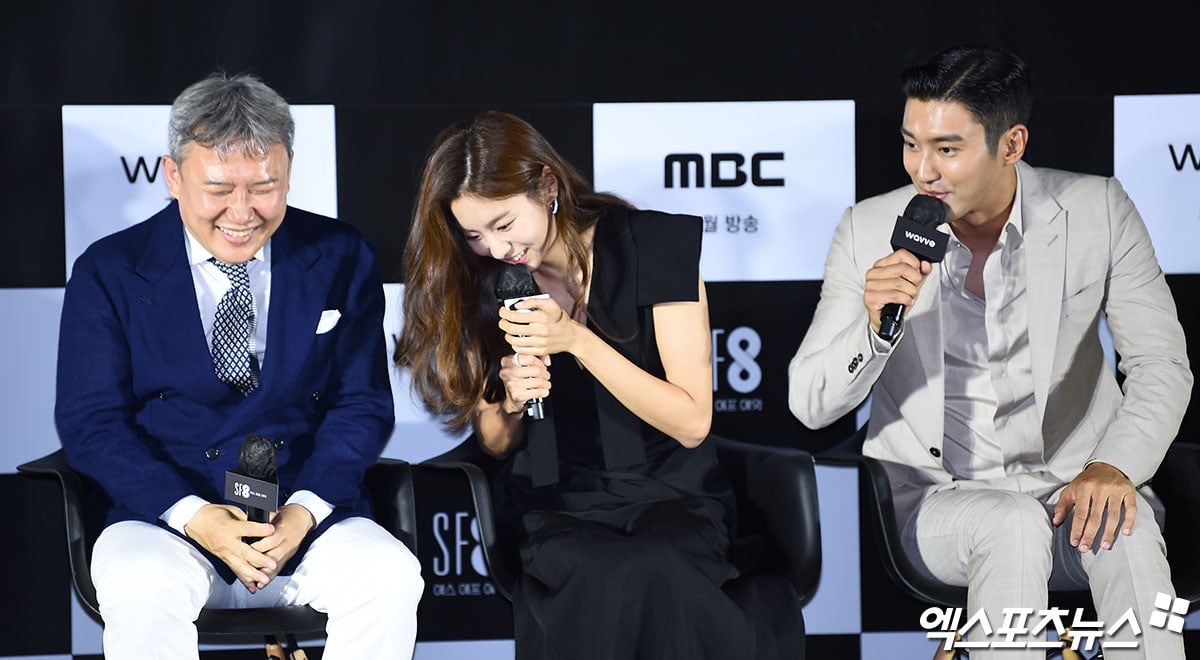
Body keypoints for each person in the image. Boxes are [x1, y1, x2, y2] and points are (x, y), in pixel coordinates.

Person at [789, 45, 1190, 659]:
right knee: (1011, 522)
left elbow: (1161, 365)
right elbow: (809, 403)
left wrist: (1114, 466)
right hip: (938, 502)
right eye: (910, 144)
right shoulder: (867, 229)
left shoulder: (1098, 210)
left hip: (1076, 483)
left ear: (1011, 144)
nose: (923, 171)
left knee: (1126, 529)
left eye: (947, 149)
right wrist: (874, 330)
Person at [395, 110, 800, 659]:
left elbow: (691, 422)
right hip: (556, 502)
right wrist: (511, 400)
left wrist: (577, 341)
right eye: (474, 235)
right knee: (601, 573)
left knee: (660, 566)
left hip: (672, 490)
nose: (495, 248)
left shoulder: (652, 245)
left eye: (504, 224)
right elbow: (494, 442)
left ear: (548, 186)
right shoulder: (481, 280)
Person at [54, 72, 423, 659]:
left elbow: (362, 405)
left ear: (289, 172)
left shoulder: (340, 254)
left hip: (306, 520)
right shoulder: (110, 269)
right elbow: (91, 423)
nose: (243, 212)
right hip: (166, 520)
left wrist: (302, 514)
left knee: (390, 577)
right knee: (140, 585)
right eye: (219, 189)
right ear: (173, 175)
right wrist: (194, 516)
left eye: (264, 187)